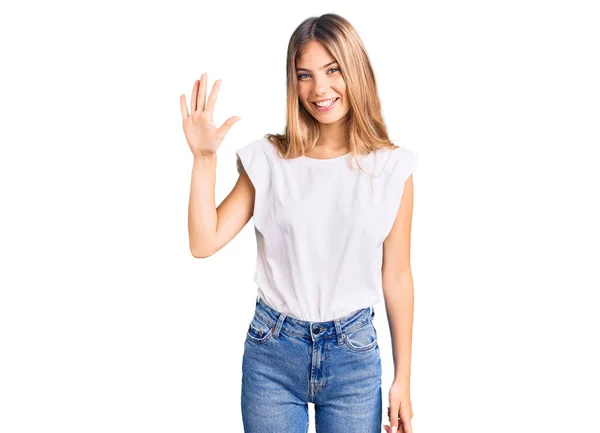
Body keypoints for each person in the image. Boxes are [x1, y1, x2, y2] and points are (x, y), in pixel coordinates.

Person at [180, 13, 417, 433]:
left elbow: (396, 276)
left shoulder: (391, 168)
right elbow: (204, 241)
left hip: (354, 357)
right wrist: (204, 159)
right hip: (273, 352)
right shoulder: (270, 160)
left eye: (332, 70)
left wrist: (403, 379)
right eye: (304, 75)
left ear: (355, 71)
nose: (319, 89)